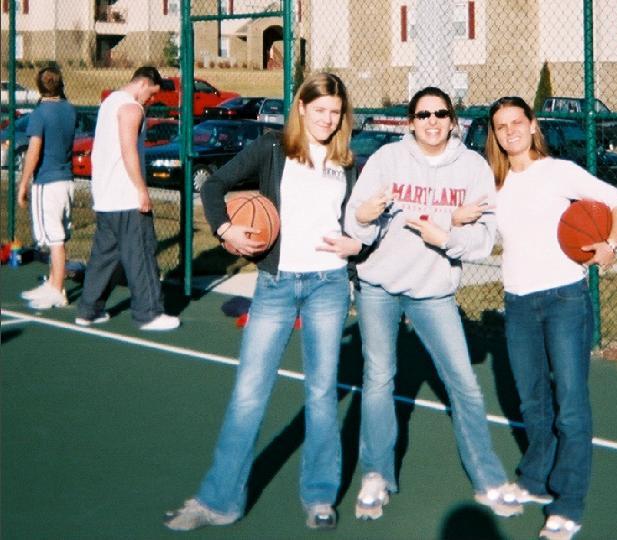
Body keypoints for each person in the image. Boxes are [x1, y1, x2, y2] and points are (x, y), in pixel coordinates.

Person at [163, 72, 362, 531]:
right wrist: (225, 229)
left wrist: (357, 247)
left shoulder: (348, 162)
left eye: (335, 113)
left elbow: (357, 226)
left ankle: (319, 496)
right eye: (319, 110)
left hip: (329, 285)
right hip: (276, 284)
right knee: (249, 392)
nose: (327, 120)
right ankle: (219, 501)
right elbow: (214, 186)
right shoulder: (273, 148)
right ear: (301, 108)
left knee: (321, 394)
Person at [344, 86, 522, 521]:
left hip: (434, 292)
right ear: (410, 122)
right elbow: (358, 222)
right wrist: (364, 217)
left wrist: (448, 235)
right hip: (379, 285)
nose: (432, 121)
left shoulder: (473, 168)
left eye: (440, 114)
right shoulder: (387, 160)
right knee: (379, 378)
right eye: (423, 114)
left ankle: (487, 479)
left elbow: (483, 240)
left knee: (464, 383)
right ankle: (376, 474)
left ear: (453, 120)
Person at [485, 96, 617, 540]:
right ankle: (535, 479)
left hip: (565, 299)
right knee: (532, 402)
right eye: (501, 126)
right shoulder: (494, 183)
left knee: (569, 405)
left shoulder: (558, 171)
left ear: (533, 125)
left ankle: (568, 503)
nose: (510, 131)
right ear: (495, 134)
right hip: (518, 303)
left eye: (517, 122)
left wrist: (611, 245)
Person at [74, 66, 179, 331]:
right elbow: (128, 150)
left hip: (106, 197)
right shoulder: (132, 108)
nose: (151, 100)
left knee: (104, 257)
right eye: (151, 94)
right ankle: (149, 314)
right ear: (143, 84)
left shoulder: (109, 103)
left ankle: (88, 310)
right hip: (126, 197)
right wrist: (141, 190)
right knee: (141, 253)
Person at [17, 65, 76, 309]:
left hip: (48, 183)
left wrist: (23, 184)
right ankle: (53, 282)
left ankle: (56, 290)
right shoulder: (70, 110)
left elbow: (34, 151)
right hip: (67, 181)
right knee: (58, 236)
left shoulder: (40, 113)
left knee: (55, 239)